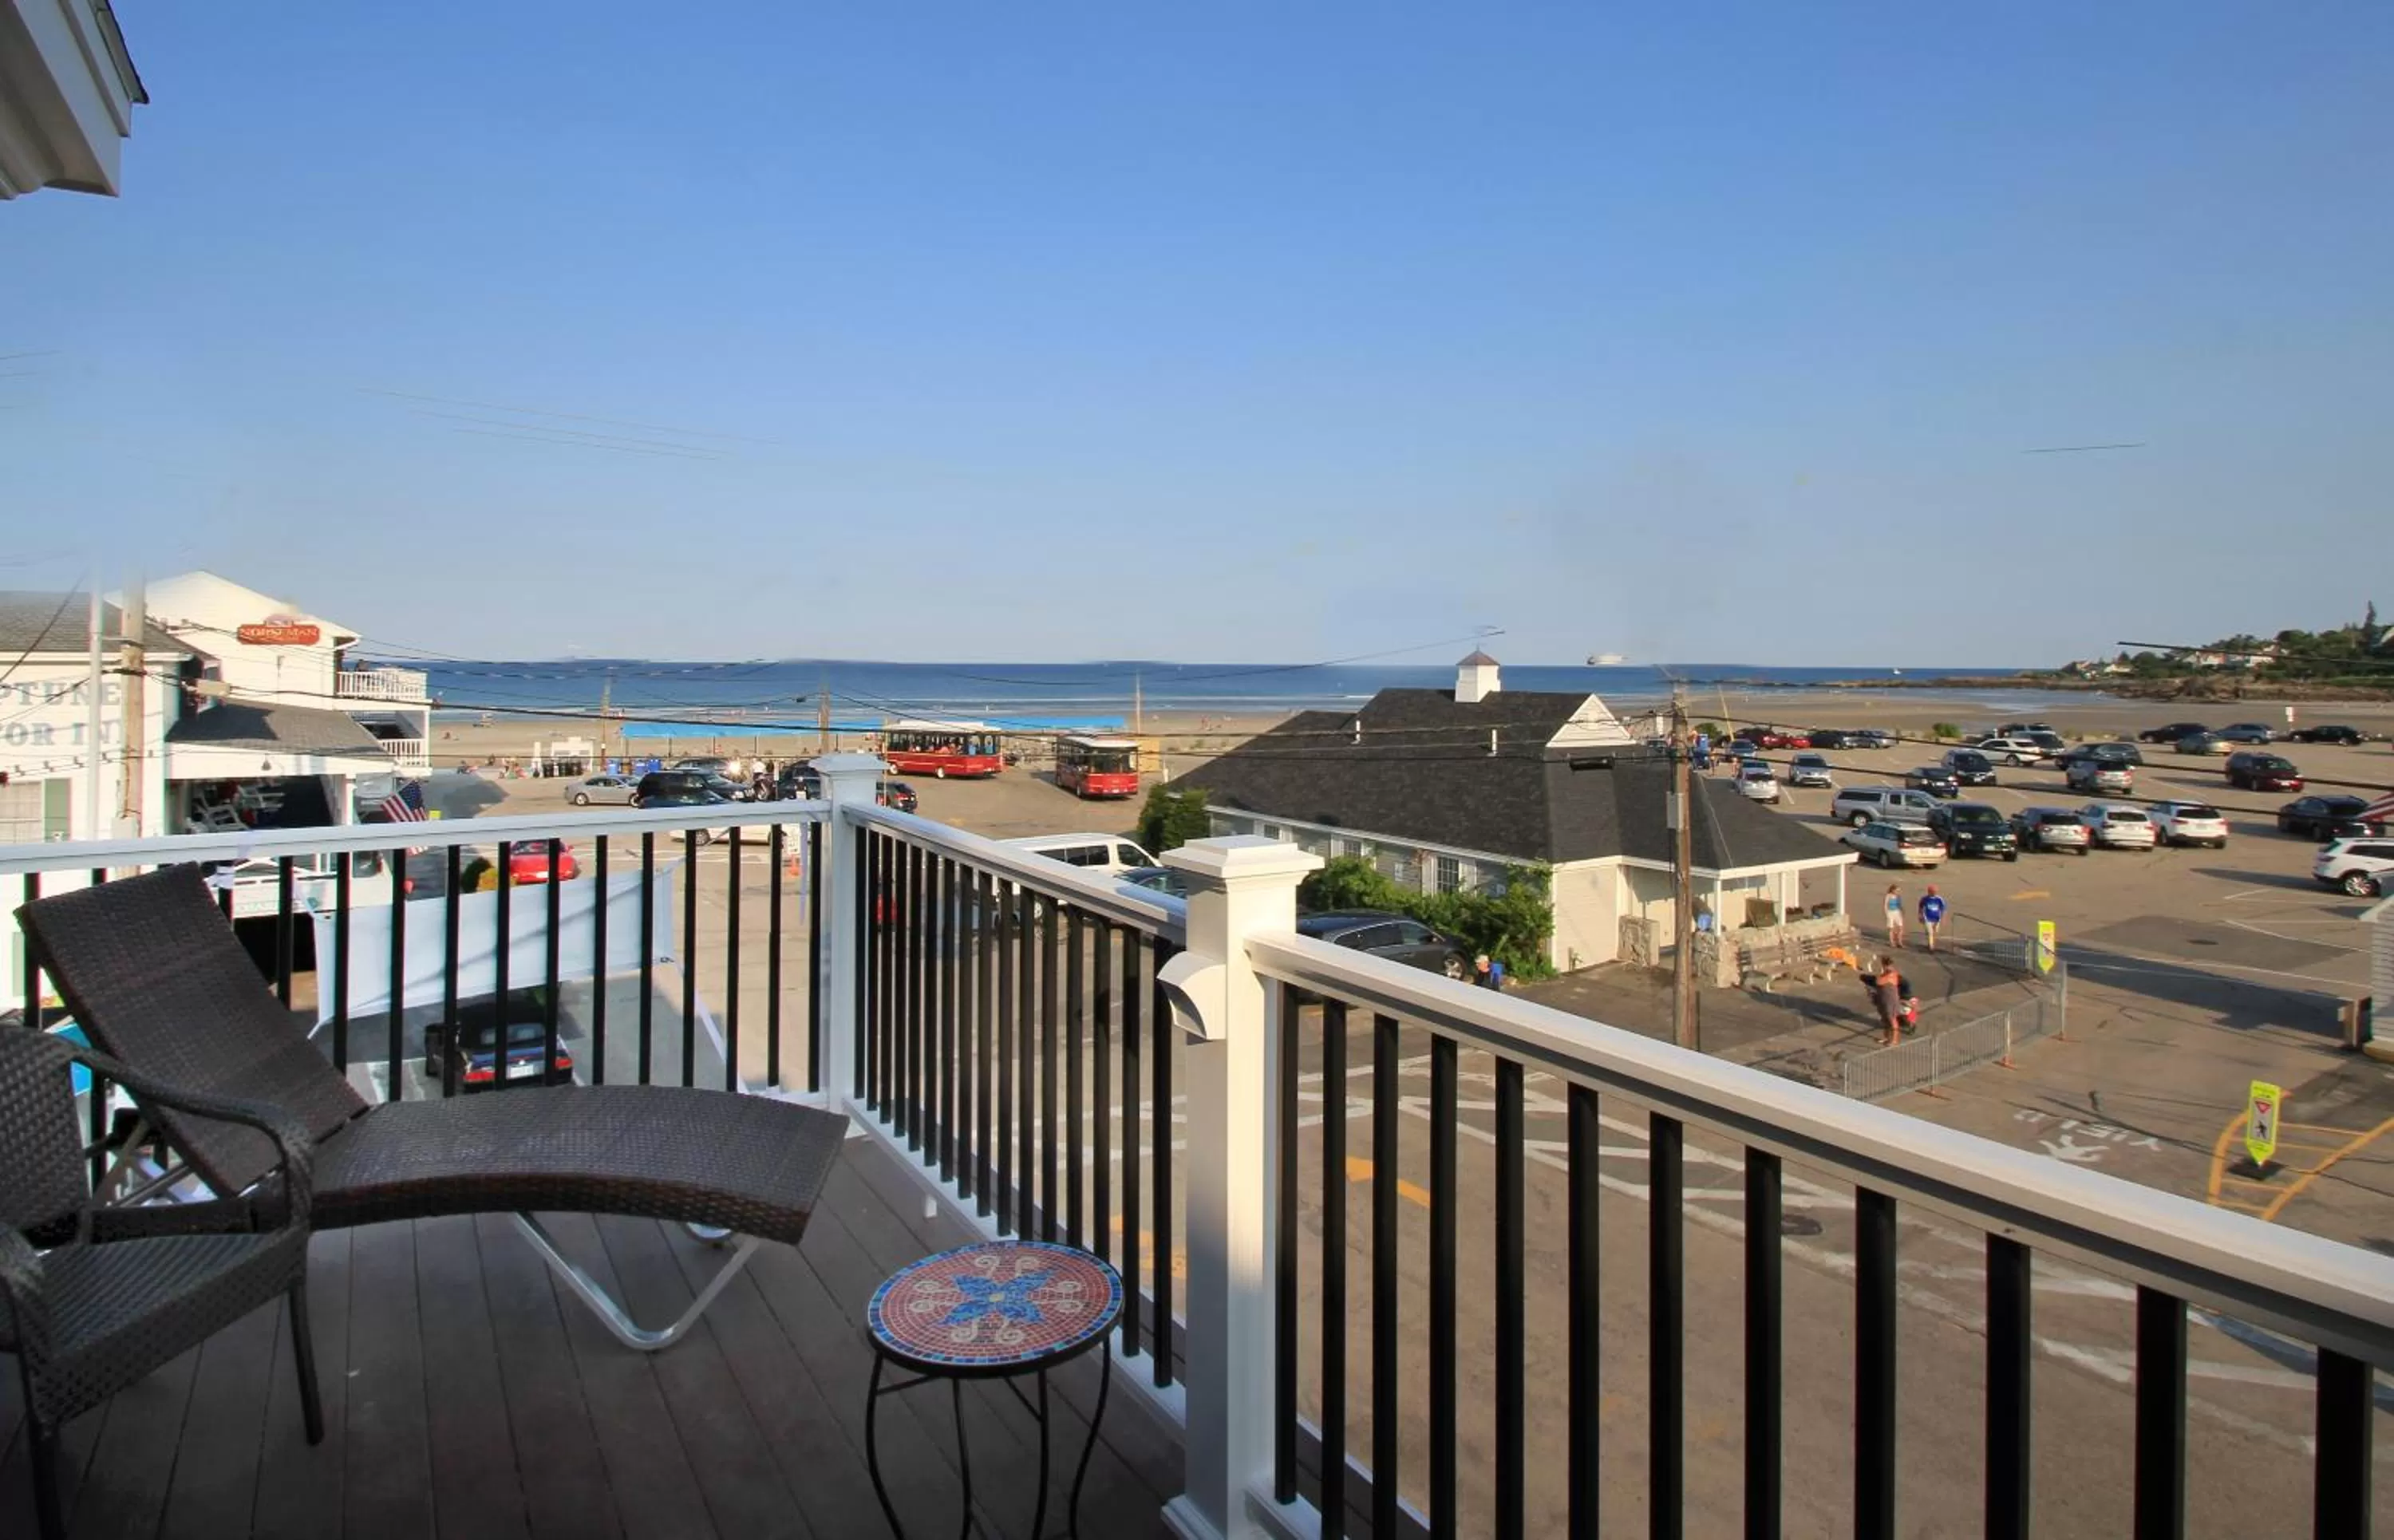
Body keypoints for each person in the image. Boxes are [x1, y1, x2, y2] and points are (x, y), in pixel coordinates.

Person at [1917, 885, 1946, 952]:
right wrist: (1920, 916)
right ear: (1929, 891)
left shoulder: (1939, 899)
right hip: (1927, 918)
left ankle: (1932, 943)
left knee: (1935, 932)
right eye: (1933, 891)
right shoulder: (1924, 899)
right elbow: (1921, 908)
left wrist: (1943, 918)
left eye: (1935, 891)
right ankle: (1931, 947)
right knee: (1930, 932)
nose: (1934, 893)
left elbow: (1943, 909)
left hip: (1937, 918)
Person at [1883, 883, 1905, 948]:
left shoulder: (1898, 897)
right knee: (1891, 928)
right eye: (1897, 890)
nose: (1898, 892)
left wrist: (1902, 911)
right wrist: (1886, 913)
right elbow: (1885, 905)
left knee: (1901, 927)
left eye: (1899, 891)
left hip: (1897, 912)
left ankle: (1899, 942)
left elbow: (1900, 905)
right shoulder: (1888, 896)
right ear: (1893, 890)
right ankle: (1892, 942)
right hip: (1890, 912)